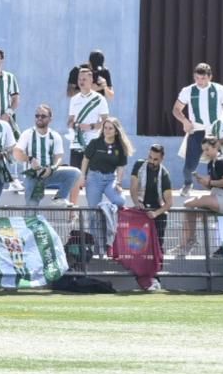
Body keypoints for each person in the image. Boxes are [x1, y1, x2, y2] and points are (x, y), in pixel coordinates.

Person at [172, 63, 223, 194]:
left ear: (210, 77)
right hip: (197, 130)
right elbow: (176, 109)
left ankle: (221, 187)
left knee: (221, 161)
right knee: (189, 165)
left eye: (203, 78)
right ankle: (188, 184)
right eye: (197, 78)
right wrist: (185, 121)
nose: (200, 81)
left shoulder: (220, 90)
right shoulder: (188, 90)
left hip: (215, 131)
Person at [13, 104, 80, 209]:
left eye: (43, 116)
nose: (39, 118)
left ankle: (59, 198)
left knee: (75, 173)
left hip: (49, 173)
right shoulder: (28, 134)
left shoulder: (55, 136)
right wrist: (30, 159)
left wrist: (52, 168)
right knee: (31, 209)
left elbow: (59, 156)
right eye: (37, 116)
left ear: (50, 119)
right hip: (33, 175)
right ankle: (31, 221)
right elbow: (16, 153)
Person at [81, 116, 134, 250]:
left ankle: (106, 210)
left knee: (120, 200)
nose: (107, 130)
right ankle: (96, 247)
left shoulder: (120, 148)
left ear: (116, 131)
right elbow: (85, 159)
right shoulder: (95, 143)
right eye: (105, 128)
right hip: (94, 178)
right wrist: (83, 176)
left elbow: (121, 167)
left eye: (110, 128)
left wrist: (119, 183)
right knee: (93, 213)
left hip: (110, 179)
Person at [177, 137, 223, 256]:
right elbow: (213, 185)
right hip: (216, 195)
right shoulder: (211, 163)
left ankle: (191, 239)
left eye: (207, 149)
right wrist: (204, 182)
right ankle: (187, 242)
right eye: (204, 150)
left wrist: (209, 183)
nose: (205, 153)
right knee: (190, 211)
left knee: (188, 204)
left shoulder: (221, 161)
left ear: (215, 147)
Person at [66, 66, 110, 205]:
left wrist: (90, 126)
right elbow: (70, 119)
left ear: (91, 80)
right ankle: (72, 212)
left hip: (93, 144)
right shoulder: (74, 99)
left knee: (92, 179)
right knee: (74, 177)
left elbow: (105, 122)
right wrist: (72, 124)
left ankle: (93, 209)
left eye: (84, 79)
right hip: (76, 142)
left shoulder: (99, 99)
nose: (81, 82)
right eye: (80, 79)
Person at [128, 144, 176, 246]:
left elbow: (169, 203)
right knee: (136, 245)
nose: (151, 161)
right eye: (150, 157)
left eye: (155, 159)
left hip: (158, 212)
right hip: (141, 209)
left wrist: (156, 213)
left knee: (157, 246)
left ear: (162, 159)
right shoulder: (139, 165)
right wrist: (137, 203)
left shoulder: (164, 174)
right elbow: (133, 188)